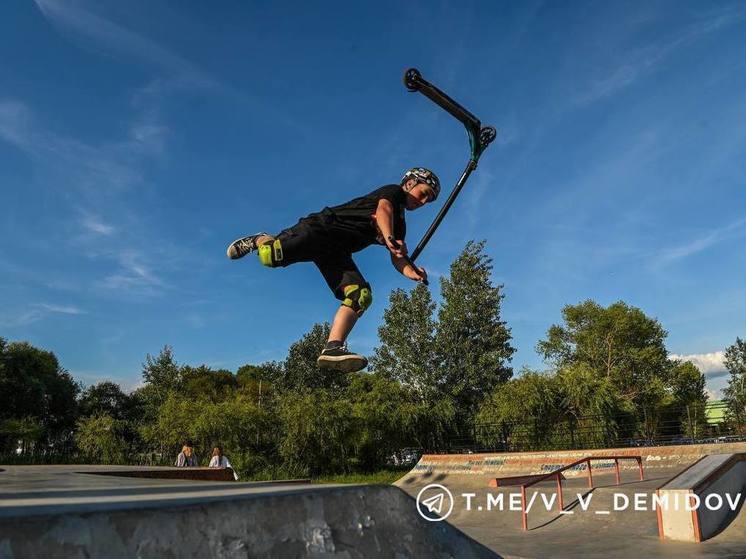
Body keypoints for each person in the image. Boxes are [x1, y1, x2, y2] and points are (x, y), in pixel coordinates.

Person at [227, 167, 440, 372]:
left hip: (336, 252)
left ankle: (334, 347)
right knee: (269, 256)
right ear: (410, 183)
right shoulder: (393, 192)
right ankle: (259, 239)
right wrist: (389, 237)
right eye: (423, 194)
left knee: (360, 295)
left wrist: (412, 272)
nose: (422, 202)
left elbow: (397, 258)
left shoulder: (400, 226)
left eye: (428, 200)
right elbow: (383, 210)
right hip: (320, 229)